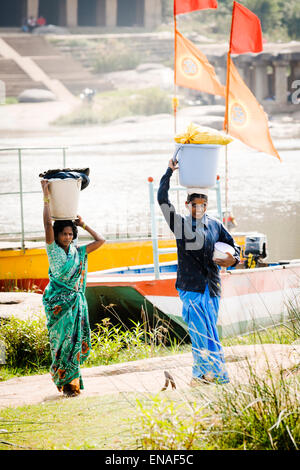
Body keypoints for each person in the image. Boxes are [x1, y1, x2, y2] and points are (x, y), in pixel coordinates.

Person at [157, 159, 240, 386]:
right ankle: (203, 375)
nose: (199, 208)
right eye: (194, 204)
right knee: (199, 332)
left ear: (207, 205)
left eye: (203, 205)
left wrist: (232, 260)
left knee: (210, 331)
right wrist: (169, 172)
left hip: (212, 288)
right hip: (191, 288)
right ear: (187, 204)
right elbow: (162, 200)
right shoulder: (180, 224)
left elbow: (234, 248)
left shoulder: (215, 225)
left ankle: (208, 375)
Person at [41, 180, 105, 397]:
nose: (67, 237)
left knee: (74, 343)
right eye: (64, 234)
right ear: (57, 236)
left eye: (70, 234)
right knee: (61, 344)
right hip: (58, 306)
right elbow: (47, 225)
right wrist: (46, 194)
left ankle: (72, 385)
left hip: (75, 305)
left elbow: (101, 240)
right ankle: (64, 381)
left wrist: (83, 224)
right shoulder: (53, 250)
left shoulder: (78, 252)